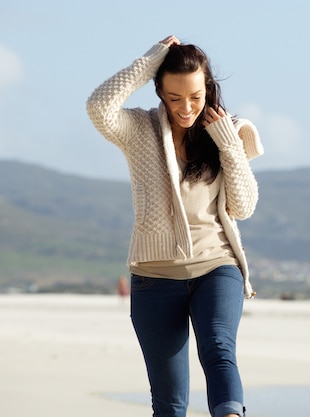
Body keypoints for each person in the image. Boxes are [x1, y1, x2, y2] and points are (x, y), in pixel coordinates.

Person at [86, 35, 263, 417]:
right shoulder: (138, 129)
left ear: (208, 88)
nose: (187, 108)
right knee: (169, 403)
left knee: (218, 349)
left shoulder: (225, 131)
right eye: (175, 98)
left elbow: (244, 207)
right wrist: (149, 61)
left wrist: (228, 146)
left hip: (216, 264)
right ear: (160, 92)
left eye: (196, 97)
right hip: (154, 277)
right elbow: (99, 106)